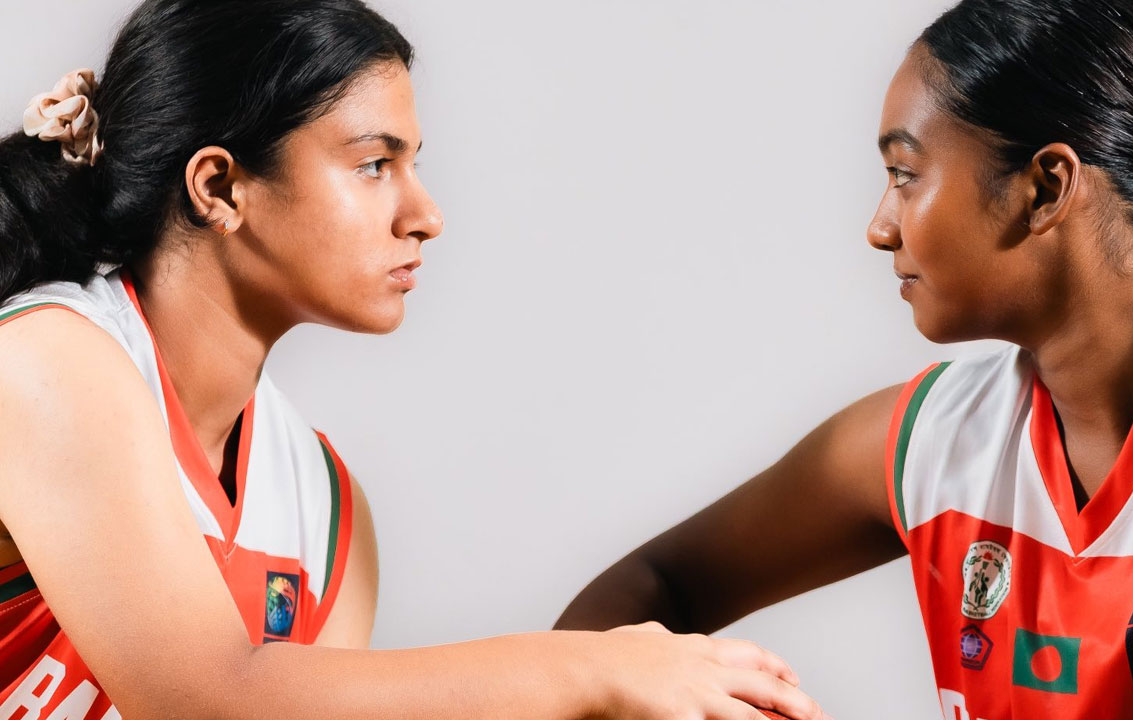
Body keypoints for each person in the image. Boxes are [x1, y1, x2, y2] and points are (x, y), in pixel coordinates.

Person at [0, 2, 828, 719]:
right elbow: (209, 700)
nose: (425, 213)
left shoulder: (324, 504)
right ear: (219, 187)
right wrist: (595, 669)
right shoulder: (46, 359)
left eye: (413, 164)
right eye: (373, 165)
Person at [555, 0, 1133, 718]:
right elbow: (651, 590)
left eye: (904, 173)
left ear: (1046, 188)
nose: (879, 227)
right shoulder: (932, 438)